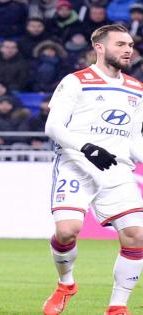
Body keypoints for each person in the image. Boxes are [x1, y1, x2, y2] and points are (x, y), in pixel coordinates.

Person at [43, 24, 143, 315]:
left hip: (117, 171)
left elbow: (134, 138)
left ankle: (117, 306)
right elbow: (53, 127)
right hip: (76, 167)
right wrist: (87, 147)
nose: (128, 50)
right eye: (121, 44)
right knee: (67, 232)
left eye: (130, 45)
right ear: (99, 47)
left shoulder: (137, 89)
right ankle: (66, 284)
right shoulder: (76, 81)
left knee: (137, 235)